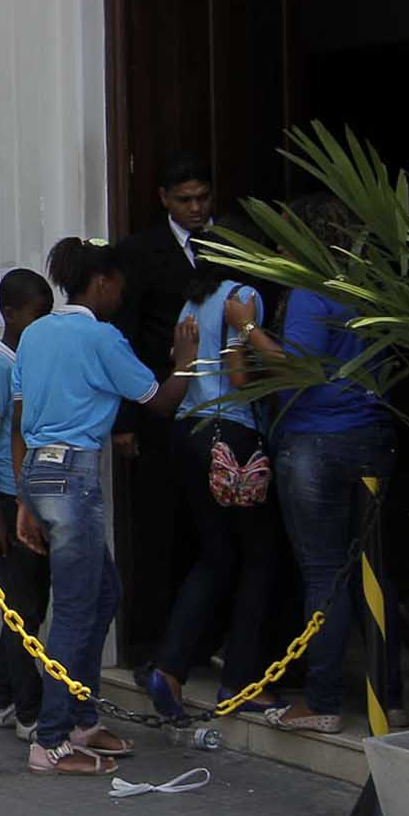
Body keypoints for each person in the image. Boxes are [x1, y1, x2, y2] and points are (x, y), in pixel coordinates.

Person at [14, 236, 197, 776]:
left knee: (101, 594)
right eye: (120, 283)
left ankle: (80, 718)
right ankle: (50, 742)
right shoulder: (101, 337)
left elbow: (21, 421)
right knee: (74, 609)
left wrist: (26, 498)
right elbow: (160, 401)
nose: (124, 293)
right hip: (73, 477)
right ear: (102, 282)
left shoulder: (35, 333)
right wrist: (185, 360)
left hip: (40, 473)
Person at [235, 199, 395, 735]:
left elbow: (295, 364)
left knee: (325, 573)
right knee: (371, 569)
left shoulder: (310, 289)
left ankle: (322, 700)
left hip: (316, 441)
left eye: (283, 237)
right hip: (370, 433)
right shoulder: (367, 285)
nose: (277, 250)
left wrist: (247, 327)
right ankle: (387, 695)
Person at [146, 234, 280, 722]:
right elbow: (239, 376)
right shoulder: (242, 297)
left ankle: (170, 667)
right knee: (260, 558)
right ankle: (241, 680)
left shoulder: (194, 299)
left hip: (189, 432)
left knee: (215, 556)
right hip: (233, 434)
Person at [114, 151, 216, 654]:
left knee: (212, 530)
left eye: (202, 198)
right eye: (185, 200)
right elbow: (127, 334)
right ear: (163, 200)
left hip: (218, 405)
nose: (195, 208)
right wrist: (125, 420)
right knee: (157, 528)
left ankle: (203, 641)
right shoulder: (140, 252)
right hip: (158, 405)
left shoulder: (227, 243)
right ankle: (153, 645)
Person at [0, 267, 53, 739]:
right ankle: (29, 711)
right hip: (5, 496)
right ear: (10, 314)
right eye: (34, 315)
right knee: (22, 608)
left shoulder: (28, 361)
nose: (41, 324)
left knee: (29, 605)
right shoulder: (2, 364)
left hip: (26, 497)